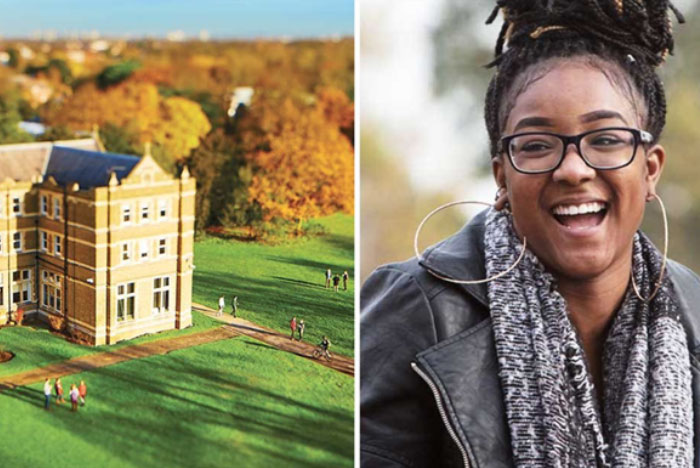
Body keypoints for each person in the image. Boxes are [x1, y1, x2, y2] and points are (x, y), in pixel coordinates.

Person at [361, 2, 700, 466]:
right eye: (537, 145)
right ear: (502, 177)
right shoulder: (417, 311)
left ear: (650, 170)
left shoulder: (695, 316)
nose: (573, 169)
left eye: (605, 139)